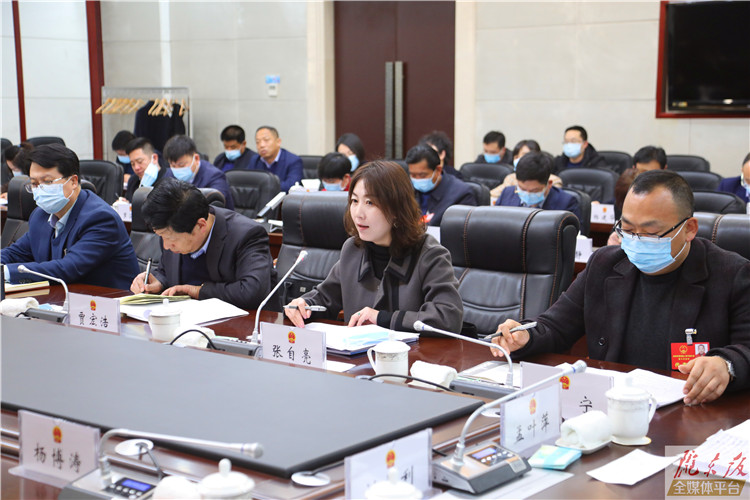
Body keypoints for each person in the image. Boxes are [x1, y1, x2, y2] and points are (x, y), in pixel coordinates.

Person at [490, 170, 750, 404]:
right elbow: (556, 326)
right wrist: (525, 336)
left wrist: (726, 365)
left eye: (650, 233)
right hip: (612, 405)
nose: (636, 241)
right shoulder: (605, 264)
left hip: (690, 412)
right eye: (627, 229)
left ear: (689, 229)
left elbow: (746, 349)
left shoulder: (732, 274)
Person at [284, 160, 463, 333]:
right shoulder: (353, 249)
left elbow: (448, 317)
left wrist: (381, 318)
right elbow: (325, 297)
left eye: (370, 203)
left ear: (396, 209)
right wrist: (304, 305)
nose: (358, 213)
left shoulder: (429, 254)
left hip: (414, 353)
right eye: (355, 201)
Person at [2, 144, 139, 289]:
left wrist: (6, 272)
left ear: (73, 181)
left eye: (47, 182)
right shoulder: (40, 215)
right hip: (62, 297)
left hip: (107, 300)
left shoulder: (101, 218)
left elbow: (67, 268)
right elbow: (15, 253)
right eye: (34, 184)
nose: (40, 189)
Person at [130, 178, 277, 309]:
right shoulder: (170, 226)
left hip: (239, 324)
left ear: (201, 225)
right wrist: (158, 281)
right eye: (161, 237)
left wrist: (198, 291)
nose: (166, 246)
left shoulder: (246, 235)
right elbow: (166, 271)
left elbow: (252, 291)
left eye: (171, 239)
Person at [495, 152, 582, 224]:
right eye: (522, 189)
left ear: (549, 184)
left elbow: (572, 236)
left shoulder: (566, 203)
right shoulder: (507, 194)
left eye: (534, 190)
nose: (527, 194)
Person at [608, 146, 669, 245]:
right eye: (641, 173)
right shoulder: (626, 196)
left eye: (651, 174)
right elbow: (618, 230)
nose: (645, 180)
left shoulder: (672, 201)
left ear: (664, 170)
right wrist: (614, 239)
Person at [406, 144, 477, 226]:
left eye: (422, 175)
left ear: (438, 170)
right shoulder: (407, 190)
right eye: (413, 175)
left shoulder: (462, 193)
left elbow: (463, 229)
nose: (417, 179)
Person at [162, 135, 234, 210]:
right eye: (173, 165)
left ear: (196, 158)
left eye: (181, 165)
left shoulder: (215, 176)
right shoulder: (169, 175)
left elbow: (215, 206)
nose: (177, 169)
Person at [490, 139, 562, 197]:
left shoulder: (554, 180)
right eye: (516, 157)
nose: (519, 159)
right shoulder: (511, 178)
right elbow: (492, 195)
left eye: (525, 155)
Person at [247, 126, 303, 192]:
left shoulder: (293, 161)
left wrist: (263, 187)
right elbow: (247, 184)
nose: (261, 145)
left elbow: (291, 186)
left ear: (278, 142)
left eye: (266, 140)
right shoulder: (255, 160)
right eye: (257, 142)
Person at [123, 138, 167, 202]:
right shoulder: (133, 181)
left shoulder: (168, 179)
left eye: (140, 161)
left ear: (154, 158)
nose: (136, 168)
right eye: (132, 164)